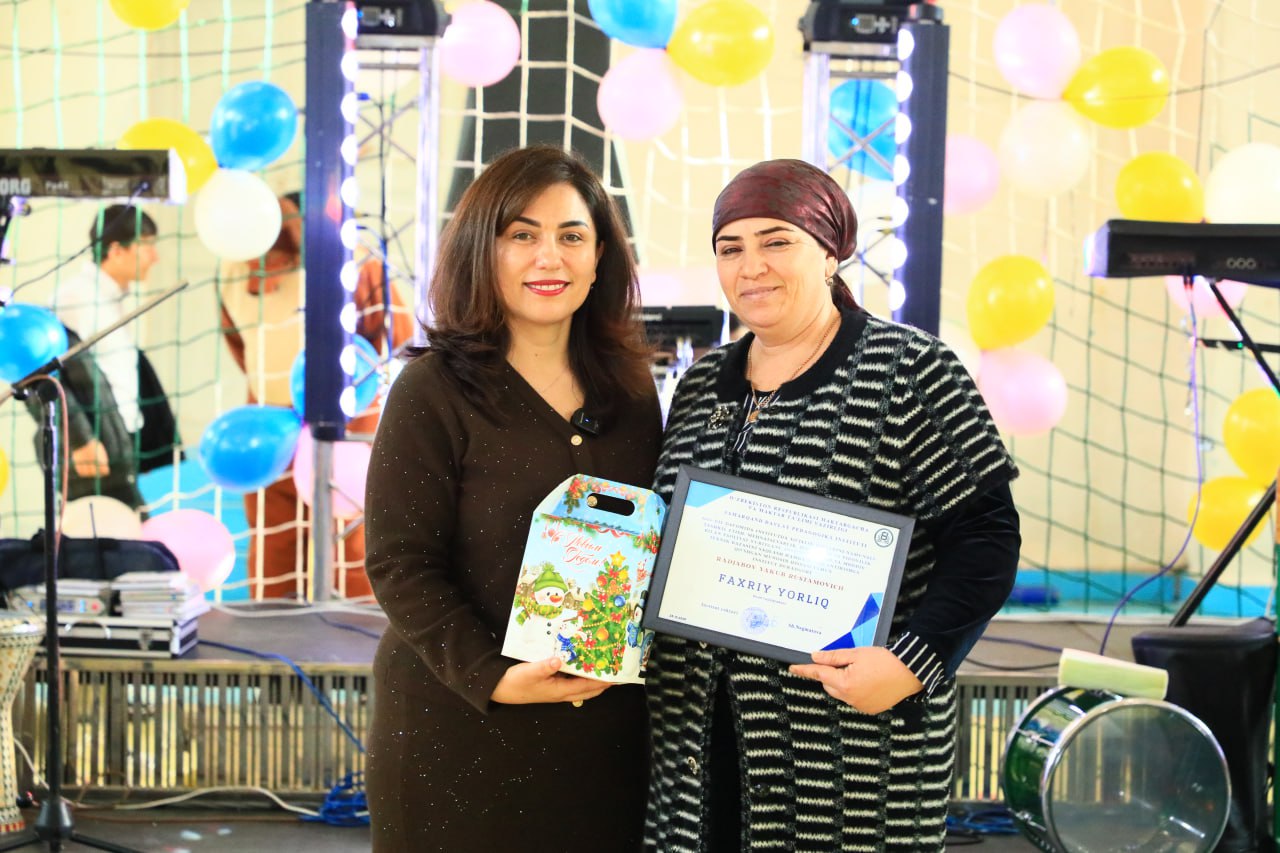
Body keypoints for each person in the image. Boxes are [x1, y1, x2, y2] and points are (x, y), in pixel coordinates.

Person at [643, 159, 1022, 852]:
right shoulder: (699, 385)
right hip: (693, 749)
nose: (751, 266)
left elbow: (986, 537)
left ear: (829, 252)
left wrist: (911, 663)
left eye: (776, 241)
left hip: (851, 752)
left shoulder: (910, 368)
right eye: (731, 248)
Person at [363, 144, 662, 852]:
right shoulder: (432, 390)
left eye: (571, 236)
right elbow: (400, 563)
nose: (548, 258)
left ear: (600, 257)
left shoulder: (632, 392)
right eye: (522, 235)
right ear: (482, 249)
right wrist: (493, 675)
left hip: (602, 743)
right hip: (459, 733)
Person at [218, 192, 414, 599]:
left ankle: (340, 630)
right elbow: (241, 345)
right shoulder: (234, 270)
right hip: (287, 420)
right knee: (287, 540)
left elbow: (397, 338)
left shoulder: (354, 263)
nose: (264, 275)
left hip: (326, 420)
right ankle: (287, 624)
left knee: (339, 540)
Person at [39, 205, 180, 511]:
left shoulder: (112, 297)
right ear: (116, 251)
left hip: (119, 443)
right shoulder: (76, 299)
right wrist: (81, 440)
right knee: (117, 534)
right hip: (92, 451)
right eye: (148, 246)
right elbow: (42, 374)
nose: (155, 257)